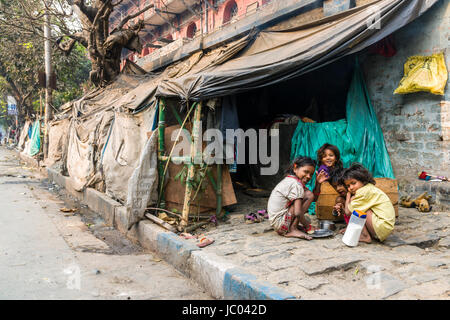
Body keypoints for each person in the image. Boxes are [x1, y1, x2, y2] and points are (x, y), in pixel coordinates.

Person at [267, 156, 328, 240]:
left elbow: (313, 199)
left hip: (278, 223)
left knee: (308, 195)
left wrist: (318, 183)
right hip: (281, 225)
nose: (308, 176)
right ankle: (293, 229)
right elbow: (298, 212)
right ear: (295, 168)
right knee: (307, 196)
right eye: (306, 172)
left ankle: (292, 227)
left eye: (311, 174)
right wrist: (308, 226)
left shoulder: (291, 180)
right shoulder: (296, 184)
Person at [341, 163, 395, 243]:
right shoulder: (368, 188)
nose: (351, 188)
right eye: (348, 186)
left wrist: (348, 196)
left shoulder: (363, 192)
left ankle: (365, 236)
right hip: (384, 227)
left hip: (382, 226)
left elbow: (348, 212)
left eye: (353, 183)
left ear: (362, 180)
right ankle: (365, 233)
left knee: (358, 209)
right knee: (359, 206)